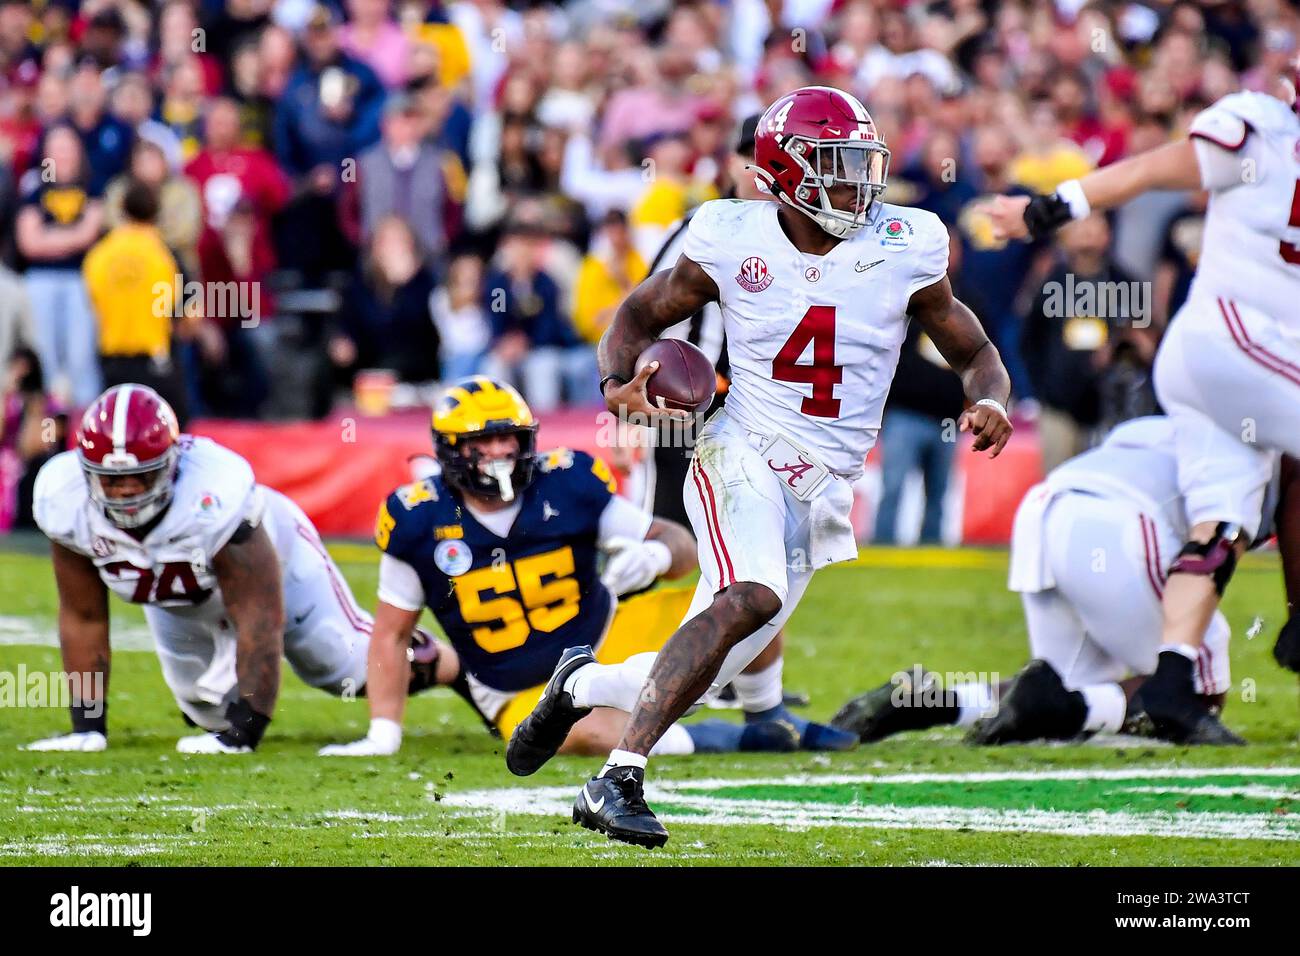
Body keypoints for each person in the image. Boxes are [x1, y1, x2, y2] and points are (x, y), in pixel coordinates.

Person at [513, 85, 1013, 847]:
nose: (858, 182)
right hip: (739, 446)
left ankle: (577, 683)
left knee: (705, 670)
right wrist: (618, 387)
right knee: (750, 595)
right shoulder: (728, 234)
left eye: (861, 163)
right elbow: (638, 314)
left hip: (824, 484)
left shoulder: (905, 242)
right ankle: (616, 779)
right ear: (784, 174)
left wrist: (993, 400)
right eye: (837, 166)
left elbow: (972, 349)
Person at [986, 66, 1300, 744]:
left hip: (1211, 366)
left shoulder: (1264, 131)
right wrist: (1047, 209)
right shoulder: (1260, 130)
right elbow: (1151, 169)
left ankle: (1172, 684)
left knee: (1222, 521)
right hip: (1235, 339)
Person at [319, 377, 809, 758]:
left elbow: (677, 542)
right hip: (514, 681)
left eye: (508, 439)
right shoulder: (418, 519)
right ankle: (722, 740)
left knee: (746, 593)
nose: (499, 453)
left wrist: (656, 555)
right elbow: (390, 633)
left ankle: (767, 712)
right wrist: (384, 733)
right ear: (450, 450)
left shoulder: (565, 482)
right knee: (586, 732)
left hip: (602, 633)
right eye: (482, 444)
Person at [24, 384, 447, 755]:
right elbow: (84, 617)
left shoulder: (212, 495)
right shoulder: (65, 500)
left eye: (142, 477)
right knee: (205, 711)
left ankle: (455, 665)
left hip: (279, 560)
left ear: (172, 464)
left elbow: (258, 616)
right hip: (180, 599)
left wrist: (245, 731)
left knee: (346, 670)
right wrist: (87, 726)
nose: (127, 492)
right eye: (112, 481)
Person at [835, 417, 1291, 746]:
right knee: (1195, 693)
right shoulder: (1265, 445)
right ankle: (1063, 708)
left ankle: (937, 701)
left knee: (1068, 688)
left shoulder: (1180, 420)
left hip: (1047, 509)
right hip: (1122, 521)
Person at [82, 179, 191, 424]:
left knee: (118, 432)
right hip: (156, 361)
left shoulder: (99, 254)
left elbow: (92, 302)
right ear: (157, 211)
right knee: (168, 432)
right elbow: (188, 313)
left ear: (122, 210)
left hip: (112, 362)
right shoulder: (165, 253)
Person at [15, 125, 104, 406]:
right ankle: (46, 422)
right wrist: (74, 237)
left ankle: (86, 421)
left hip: (80, 279)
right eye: (56, 148)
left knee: (81, 355)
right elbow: (29, 243)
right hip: (40, 280)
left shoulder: (92, 188)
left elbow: (90, 232)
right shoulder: (34, 190)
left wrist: (49, 238)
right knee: (44, 352)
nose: (62, 155)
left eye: (67, 147)